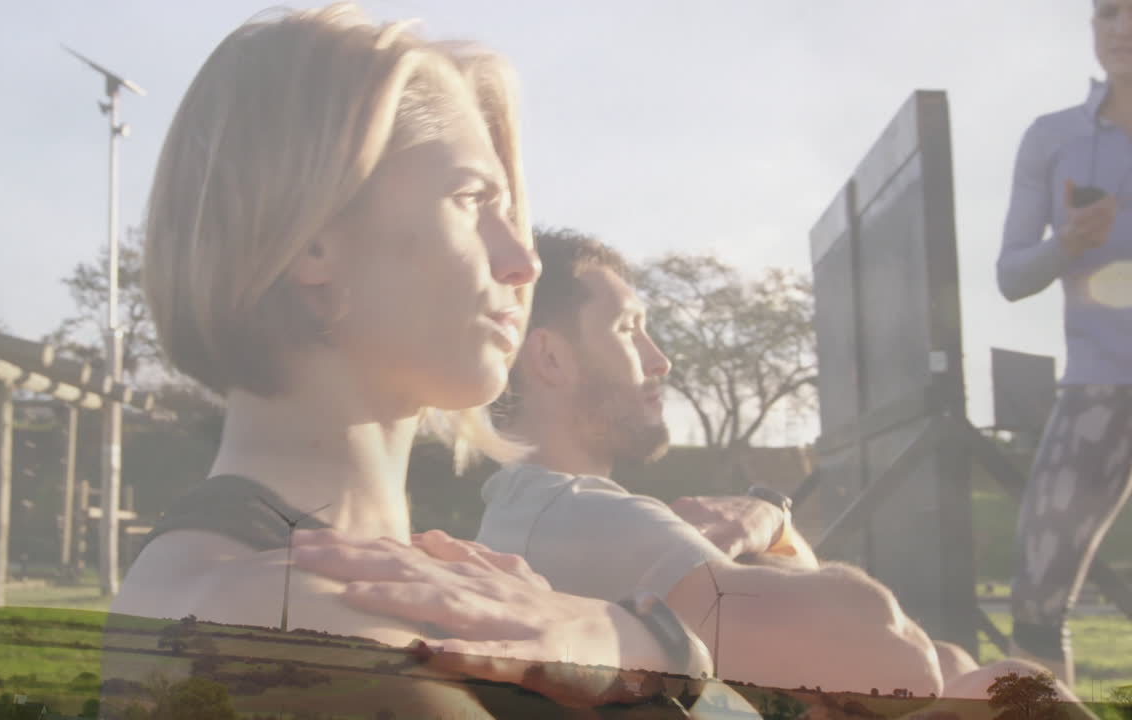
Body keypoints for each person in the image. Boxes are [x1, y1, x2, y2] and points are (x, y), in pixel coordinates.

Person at [100, 6, 711, 718]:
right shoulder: (301, 621)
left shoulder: (355, 583)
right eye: (471, 199)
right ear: (311, 239)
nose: (523, 262)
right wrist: (651, 649)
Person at [476, 228, 1087, 702]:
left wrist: (775, 524)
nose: (658, 360)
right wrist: (770, 519)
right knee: (1005, 684)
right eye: (628, 329)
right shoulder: (581, 514)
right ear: (551, 358)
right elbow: (894, 656)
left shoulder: (532, 516)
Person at [997, 0, 1132, 687]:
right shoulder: (1053, 139)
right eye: (1108, 12)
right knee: (1038, 603)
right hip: (1100, 388)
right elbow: (1009, 275)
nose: (1123, 28)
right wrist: (1068, 243)